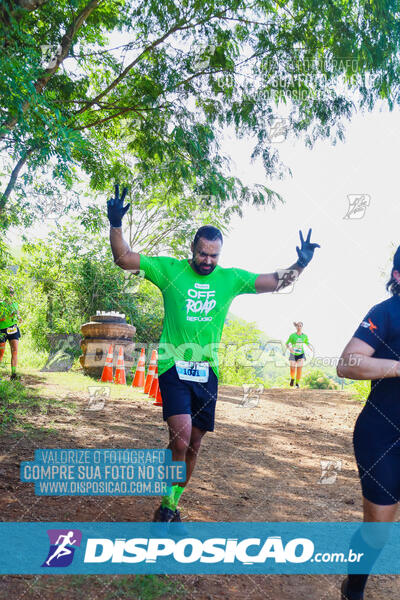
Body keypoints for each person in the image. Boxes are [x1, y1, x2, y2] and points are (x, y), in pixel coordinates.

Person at [108, 184, 321, 522]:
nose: (207, 261)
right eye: (203, 254)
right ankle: (166, 508)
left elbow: (274, 282)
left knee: (193, 444)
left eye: (213, 255)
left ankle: (171, 501)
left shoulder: (230, 279)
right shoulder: (169, 270)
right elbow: (124, 258)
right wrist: (115, 223)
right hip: (172, 366)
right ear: (192, 250)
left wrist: (300, 264)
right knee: (179, 439)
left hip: (208, 372)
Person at [337, 245, 400, 600]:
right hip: (383, 435)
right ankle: (354, 588)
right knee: (378, 531)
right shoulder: (386, 313)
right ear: (398, 276)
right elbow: (347, 363)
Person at [0, 285, 21, 380]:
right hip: (2, 330)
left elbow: (17, 314)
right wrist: (5, 317)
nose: (11, 294)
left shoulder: (15, 303)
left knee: (15, 351)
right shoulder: (1, 304)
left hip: (13, 329)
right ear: (5, 294)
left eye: (13, 292)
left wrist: (19, 318)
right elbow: (2, 318)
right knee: (1, 353)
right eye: (10, 292)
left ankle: (13, 374)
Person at [285, 321, 312, 388]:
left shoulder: (304, 336)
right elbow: (287, 343)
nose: (299, 327)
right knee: (292, 369)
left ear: (302, 327)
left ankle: (297, 383)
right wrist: (290, 349)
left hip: (301, 354)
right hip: (293, 354)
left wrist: (310, 348)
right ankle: (292, 379)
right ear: (296, 327)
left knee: (299, 369)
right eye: (298, 326)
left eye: (300, 326)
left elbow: (307, 342)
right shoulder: (292, 336)